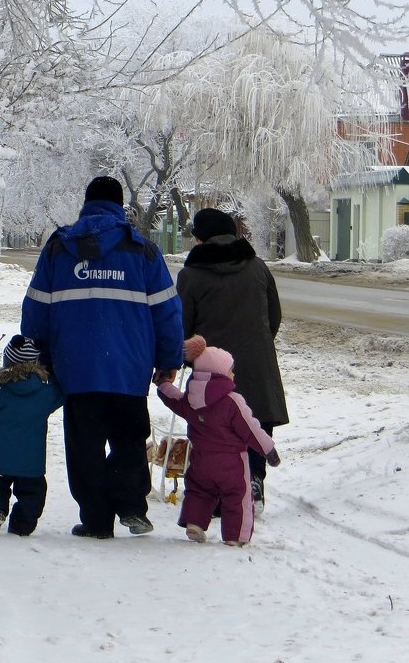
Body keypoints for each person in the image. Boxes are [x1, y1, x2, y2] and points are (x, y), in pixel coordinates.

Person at [21, 176, 183, 539]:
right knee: (129, 438)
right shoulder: (142, 251)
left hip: (75, 368)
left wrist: (37, 356)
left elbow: (35, 309)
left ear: (86, 202)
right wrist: (169, 359)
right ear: (120, 205)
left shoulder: (59, 248)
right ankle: (129, 505)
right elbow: (167, 311)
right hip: (129, 367)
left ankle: (96, 520)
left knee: (84, 446)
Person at [177, 207, 289, 514]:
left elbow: (182, 328)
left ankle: (217, 497)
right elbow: (274, 315)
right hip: (256, 363)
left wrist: (192, 359)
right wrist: (257, 344)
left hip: (211, 371)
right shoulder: (258, 268)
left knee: (214, 431)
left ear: (200, 238)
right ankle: (254, 483)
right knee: (254, 421)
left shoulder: (191, 276)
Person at [155, 335, 281, 546]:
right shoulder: (232, 401)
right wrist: (268, 449)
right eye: (230, 370)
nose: (233, 374)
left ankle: (194, 524)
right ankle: (235, 537)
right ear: (221, 374)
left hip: (201, 461)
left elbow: (174, 399)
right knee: (237, 497)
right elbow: (251, 428)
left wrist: (163, 384)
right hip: (231, 464)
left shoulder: (192, 399)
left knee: (199, 491)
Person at [0, 335, 66, 536]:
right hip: (31, 463)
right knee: (32, 494)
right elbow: (63, 394)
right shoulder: (46, 393)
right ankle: (22, 525)